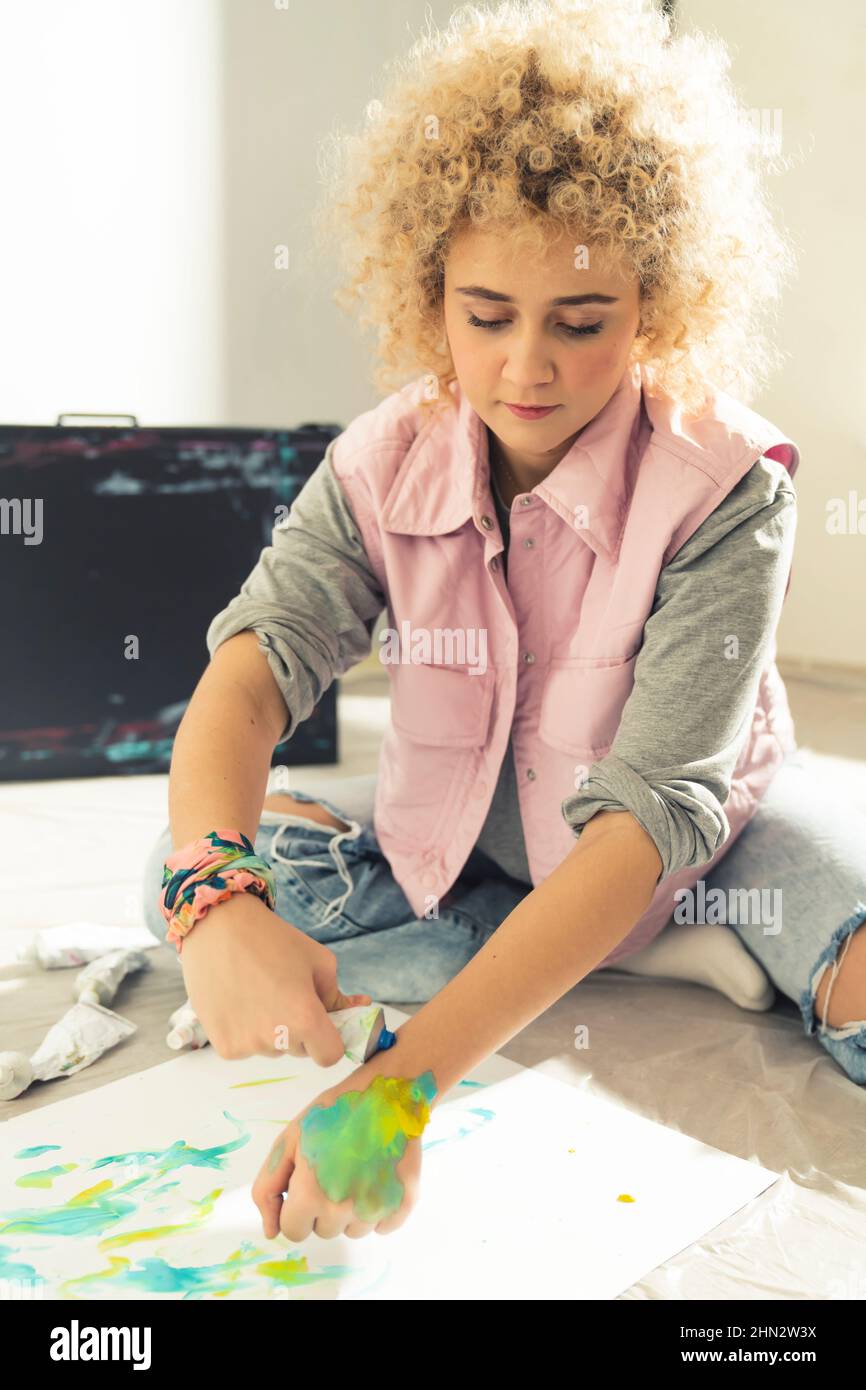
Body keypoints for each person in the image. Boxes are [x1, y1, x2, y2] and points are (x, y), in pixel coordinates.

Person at [142, 0, 866, 1241]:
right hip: (457, 833)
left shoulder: (731, 488)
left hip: (693, 844)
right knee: (188, 864)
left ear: (658, 304)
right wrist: (217, 898)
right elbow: (254, 672)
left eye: (579, 324)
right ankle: (558, 953)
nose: (525, 367)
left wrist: (402, 1084)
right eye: (485, 317)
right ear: (430, 298)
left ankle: (652, 946)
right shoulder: (382, 459)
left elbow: (650, 818)